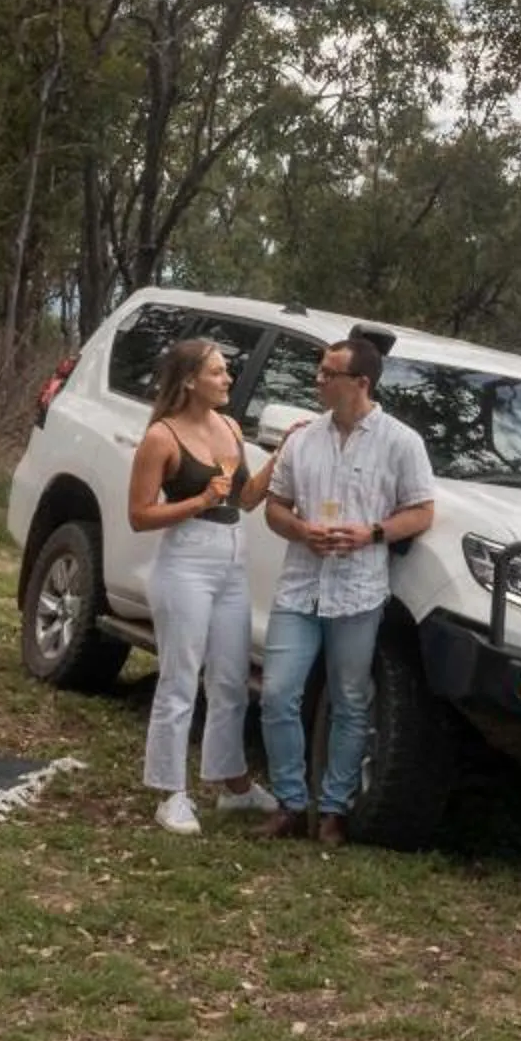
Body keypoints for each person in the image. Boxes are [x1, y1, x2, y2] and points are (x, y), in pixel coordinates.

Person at [255, 333, 435, 848]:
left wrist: (370, 534)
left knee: (352, 699)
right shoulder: (303, 438)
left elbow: (422, 510)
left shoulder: (402, 442)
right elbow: (275, 506)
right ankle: (291, 802)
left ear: (360, 382)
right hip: (301, 586)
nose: (318, 380)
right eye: (319, 371)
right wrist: (300, 530)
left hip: (358, 589)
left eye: (327, 374)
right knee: (277, 694)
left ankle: (333, 809)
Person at [126, 338, 285, 835]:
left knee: (231, 678)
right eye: (218, 372)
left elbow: (248, 499)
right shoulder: (162, 437)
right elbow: (139, 515)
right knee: (180, 678)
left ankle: (231, 784)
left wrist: (280, 458)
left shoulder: (231, 427)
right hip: (186, 562)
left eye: (226, 371)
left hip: (233, 559)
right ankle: (169, 792)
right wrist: (197, 501)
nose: (228, 380)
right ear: (191, 380)